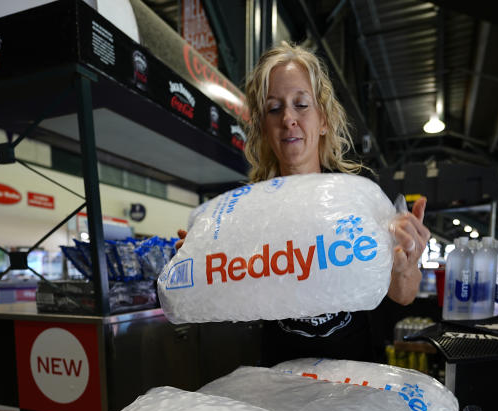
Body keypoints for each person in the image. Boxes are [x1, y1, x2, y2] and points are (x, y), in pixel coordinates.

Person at [178, 41, 431, 363]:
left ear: (323, 119)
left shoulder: (358, 198)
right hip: (283, 381)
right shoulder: (245, 213)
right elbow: (231, 299)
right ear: (264, 128)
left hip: (355, 377)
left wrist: (406, 264)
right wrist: (202, 265)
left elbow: (403, 295)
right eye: (274, 108)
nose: (288, 118)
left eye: (301, 104)